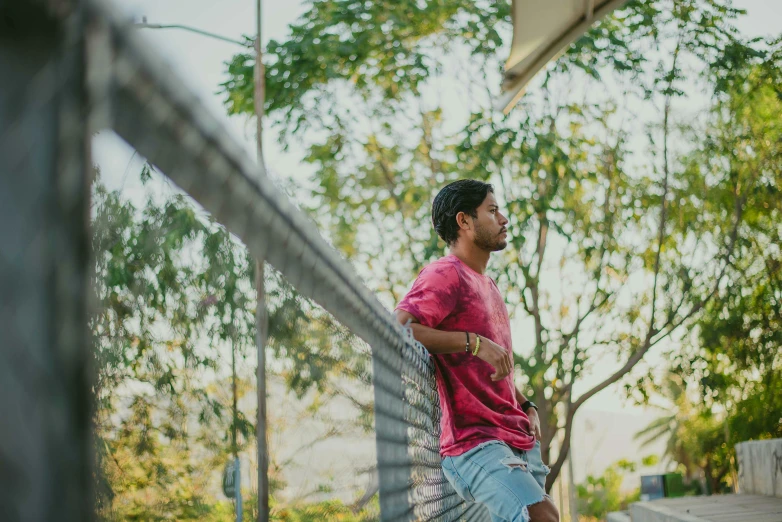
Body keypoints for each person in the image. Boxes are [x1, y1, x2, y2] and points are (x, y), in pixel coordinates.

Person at [395, 179, 560, 522]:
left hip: (517, 437)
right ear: (465, 221)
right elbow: (400, 325)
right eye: (493, 210)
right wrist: (472, 342)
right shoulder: (445, 273)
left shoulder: (488, 285)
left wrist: (525, 404)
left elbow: (493, 369)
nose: (504, 220)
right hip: (475, 443)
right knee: (544, 516)